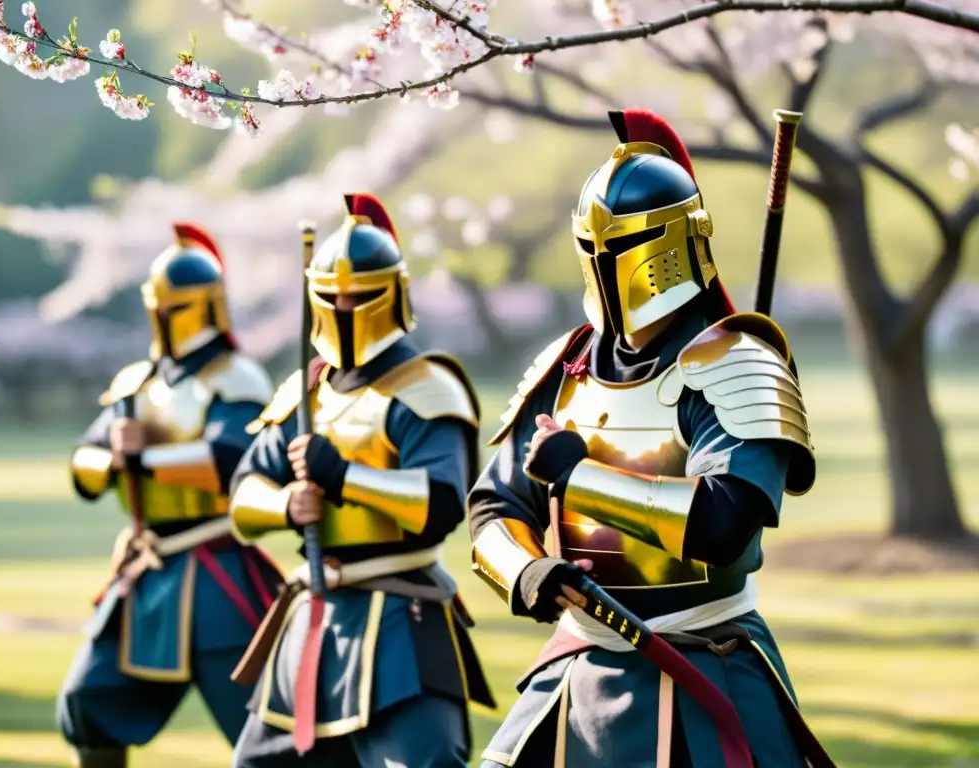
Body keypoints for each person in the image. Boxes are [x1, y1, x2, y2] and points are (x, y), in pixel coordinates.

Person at [468, 109, 834, 768]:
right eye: (594, 250)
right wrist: (527, 571)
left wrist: (579, 478)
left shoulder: (737, 364)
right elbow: (493, 503)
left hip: (705, 658)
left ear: (671, 243)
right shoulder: (565, 365)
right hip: (579, 661)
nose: (606, 265)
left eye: (623, 248)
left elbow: (723, 524)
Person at [229, 193, 495, 768]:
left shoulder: (427, 389)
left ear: (393, 293)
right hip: (314, 612)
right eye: (332, 297)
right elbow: (244, 496)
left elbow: (441, 504)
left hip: (403, 611)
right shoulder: (305, 391)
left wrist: (344, 476)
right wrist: (286, 506)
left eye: (361, 296)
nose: (346, 309)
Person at [59, 223, 284, 767]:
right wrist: (111, 457)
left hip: (218, 568)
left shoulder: (238, 379)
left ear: (208, 306)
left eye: (176, 306)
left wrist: (140, 459)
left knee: (263, 725)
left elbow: (231, 463)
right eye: (158, 305)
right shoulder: (136, 381)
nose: (164, 317)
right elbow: (83, 468)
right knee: (87, 701)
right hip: (146, 569)